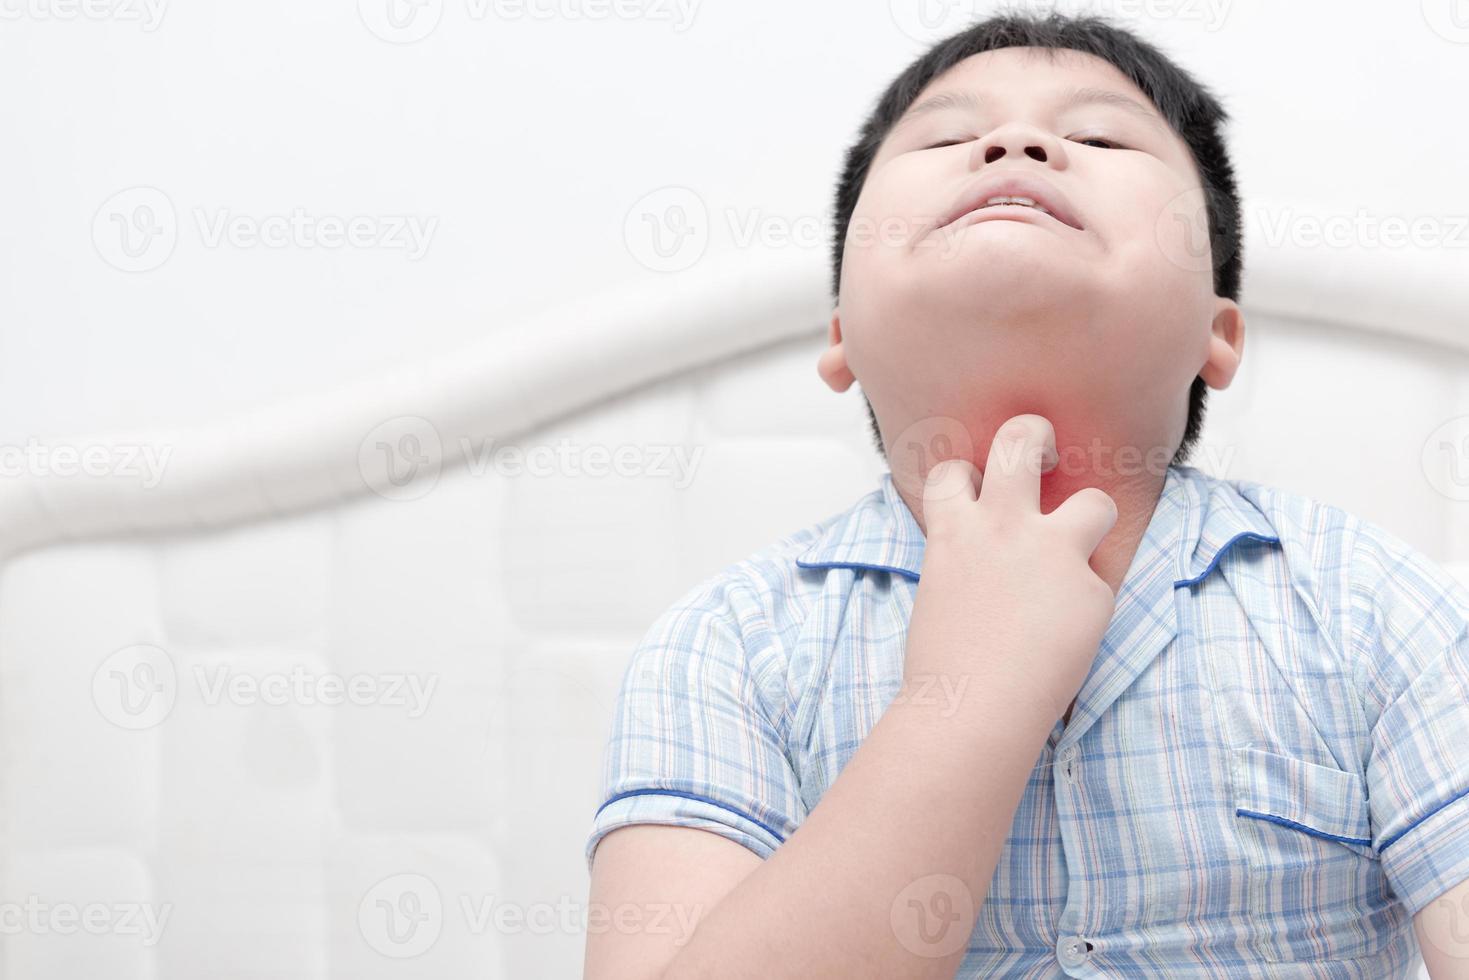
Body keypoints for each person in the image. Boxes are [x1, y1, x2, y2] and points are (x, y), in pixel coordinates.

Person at [583, 13, 1469, 977]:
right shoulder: (729, 647)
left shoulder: (1373, 609)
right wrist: (960, 696)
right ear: (839, 332)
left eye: (1097, 138)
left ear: (1218, 334)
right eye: (946, 138)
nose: (1015, 146)